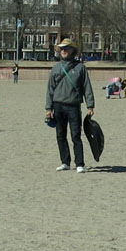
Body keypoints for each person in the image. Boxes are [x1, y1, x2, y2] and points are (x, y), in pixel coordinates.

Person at [45, 37, 95, 173]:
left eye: (66, 48)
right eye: (62, 48)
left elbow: (87, 87)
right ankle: (65, 162)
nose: (63, 51)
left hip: (73, 106)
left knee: (76, 136)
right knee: (60, 135)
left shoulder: (80, 68)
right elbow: (50, 89)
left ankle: (79, 163)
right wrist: (48, 108)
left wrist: (90, 105)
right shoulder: (55, 69)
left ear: (72, 50)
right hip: (58, 106)